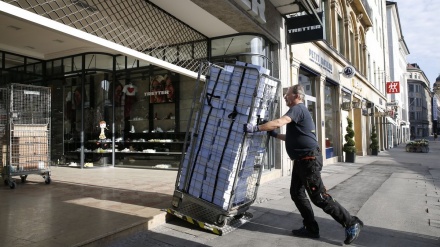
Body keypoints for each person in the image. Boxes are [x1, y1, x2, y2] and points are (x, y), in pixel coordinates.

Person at [244, 84, 363, 245]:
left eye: (287, 94)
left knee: (319, 197)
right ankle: (311, 228)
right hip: (301, 161)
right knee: (296, 193)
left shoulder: (298, 109)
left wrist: (256, 128)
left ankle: (351, 223)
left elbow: (280, 121)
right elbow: (294, 137)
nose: (285, 97)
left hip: (308, 161)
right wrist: (275, 134)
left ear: (297, 96)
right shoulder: (299, 112)